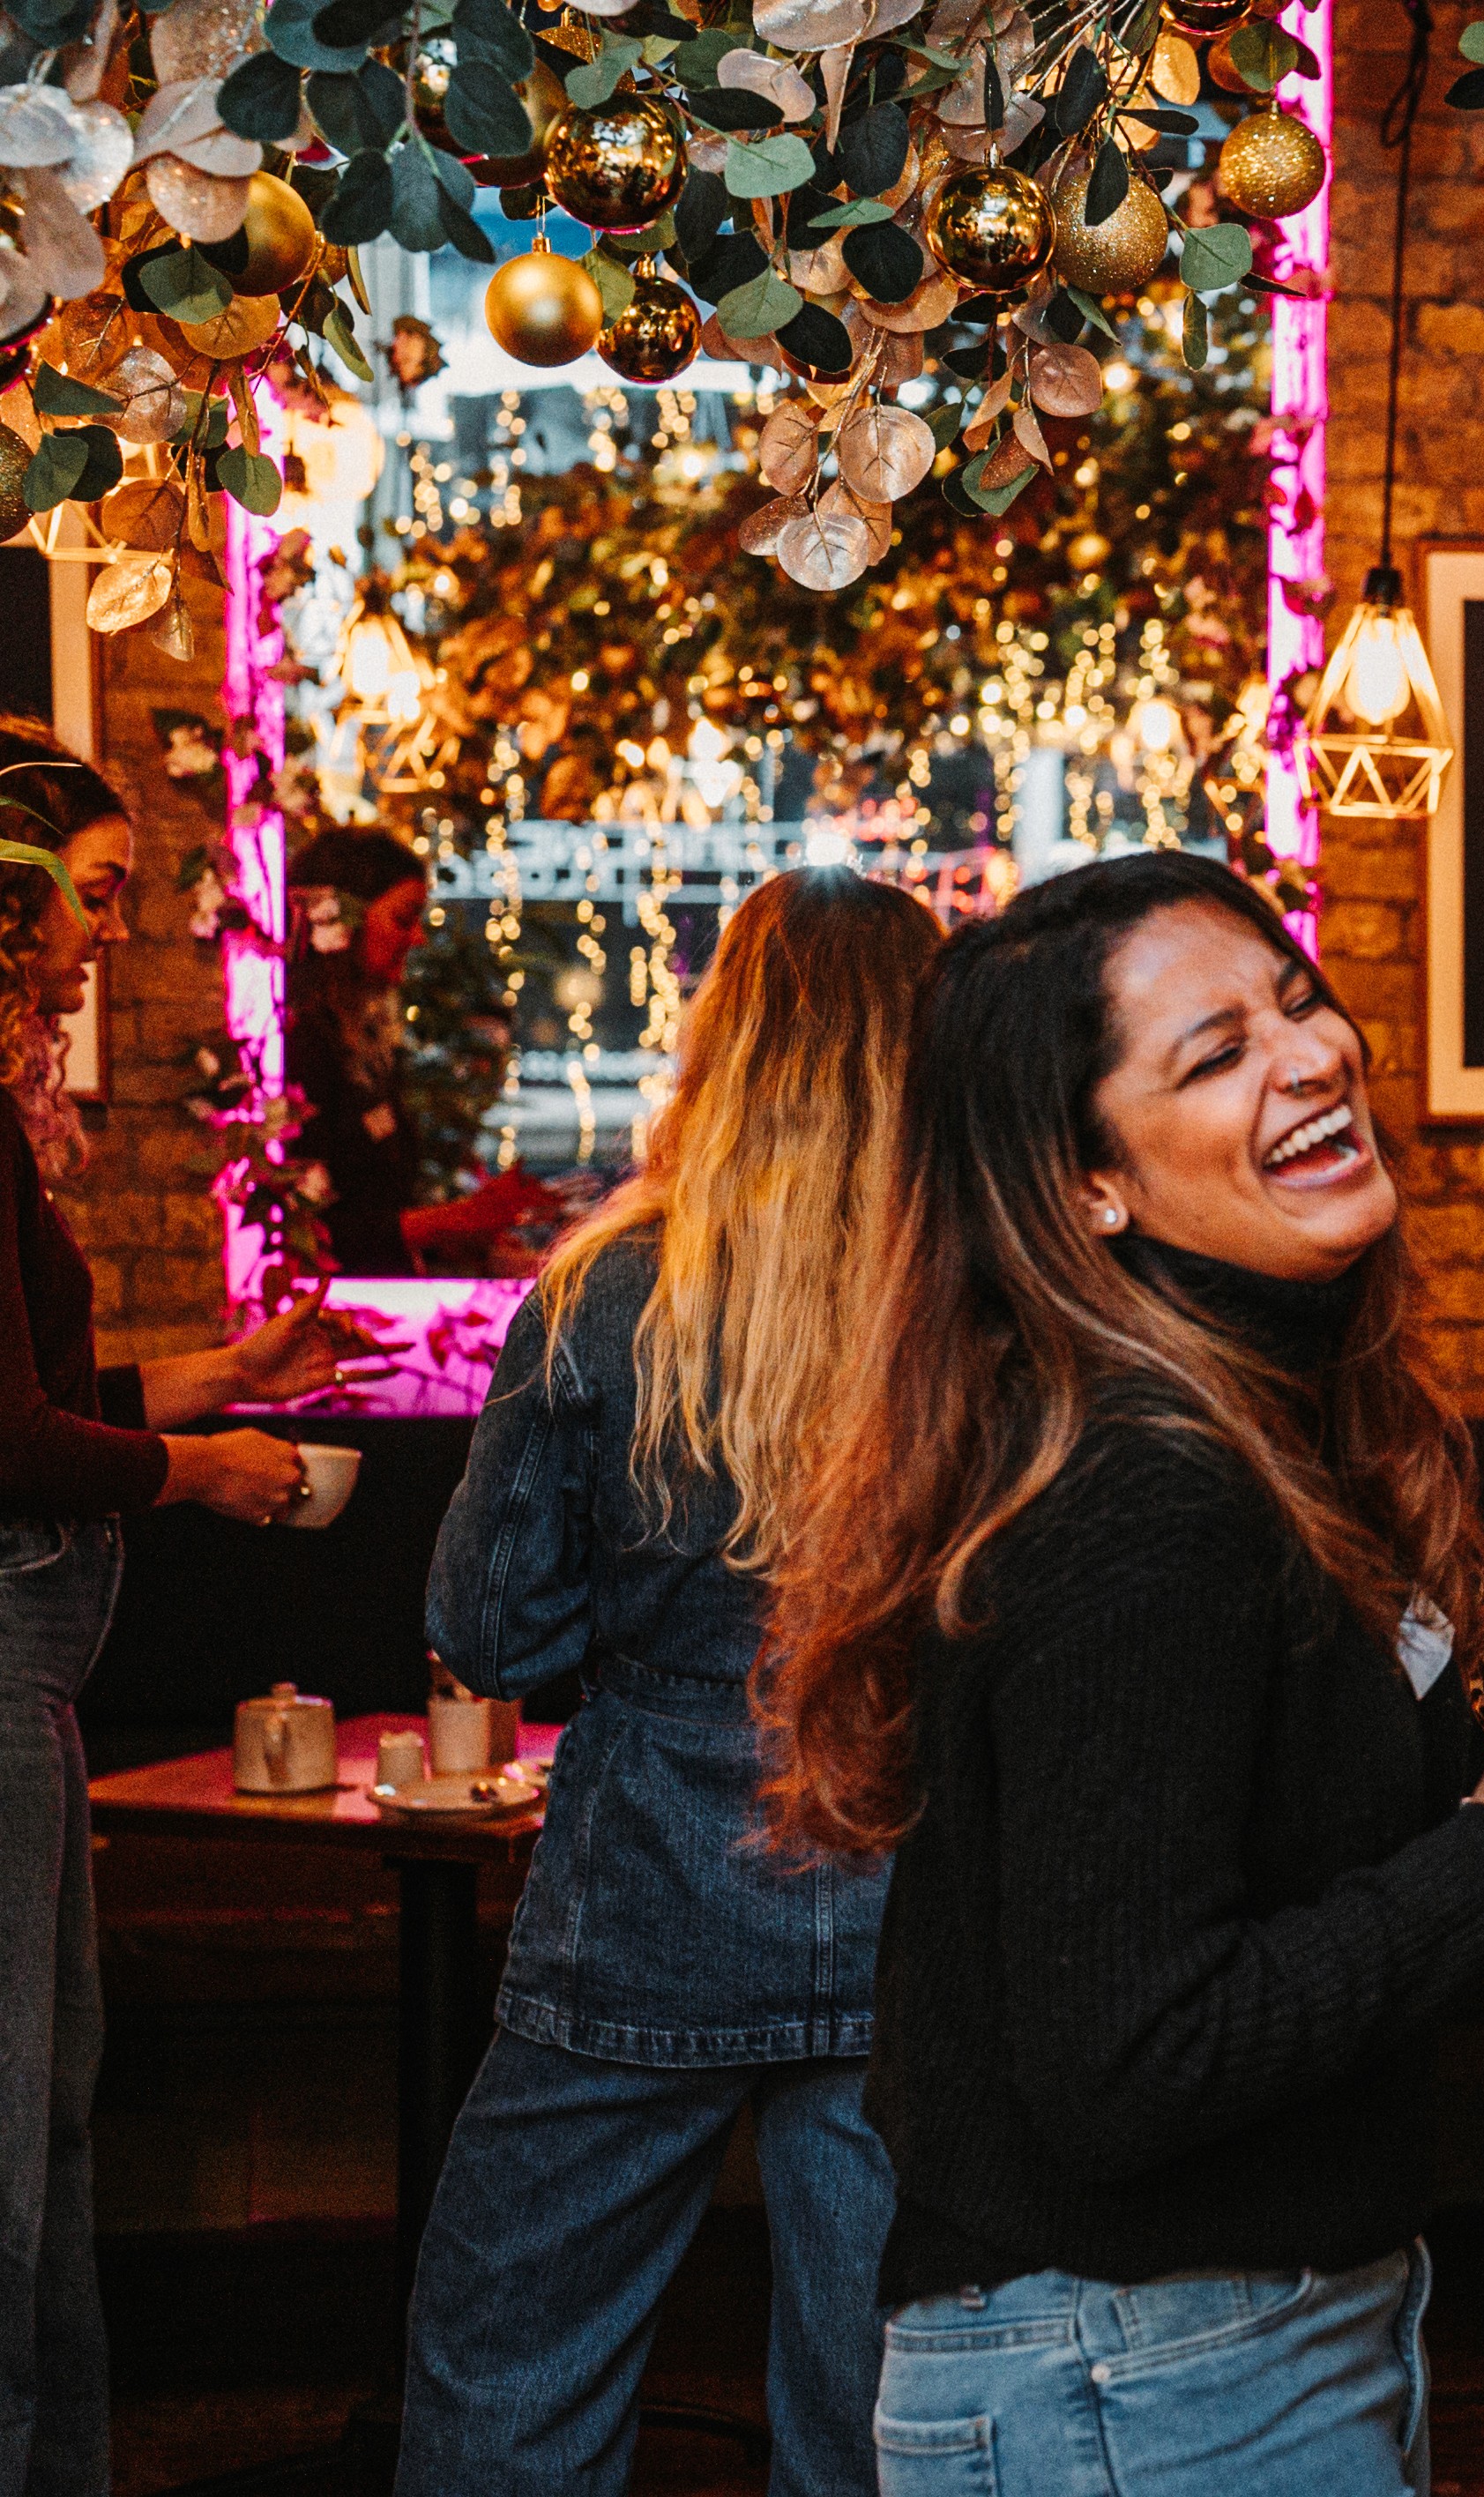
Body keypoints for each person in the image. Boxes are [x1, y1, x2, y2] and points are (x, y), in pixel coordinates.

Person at [753, 851, 1484, 2497]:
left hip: (1212, 2347)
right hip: (1130, 2370)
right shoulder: (1155, 1498)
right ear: (1089, 1186)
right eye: (1214, 1053)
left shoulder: (1259, 1432)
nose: (1310, 1053)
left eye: (1298, 998)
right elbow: (1128, 2060)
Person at [395, 868, 936, 2497]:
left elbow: (491, 1632)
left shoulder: (603, 1291)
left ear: (724, 1038)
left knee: (512, 2365)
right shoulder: (992, 1290)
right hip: (920, 1885)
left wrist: (643, 1657)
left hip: (645, 1883)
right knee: (880, 2405)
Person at [0, 737, 383, 2496]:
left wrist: (210, 1379)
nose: (103, 940)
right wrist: (204, 1474)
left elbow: (49, 1387)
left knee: (53, 2124)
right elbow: (7, 1440)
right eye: (85, 899)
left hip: (40, 1680)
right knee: (14, 2150)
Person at [285, 827, 548, 1276]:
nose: (418, 939)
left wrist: (463, 1234)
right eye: (403, 919)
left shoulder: (364, 1038)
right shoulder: (299, 1041)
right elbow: (313, 1231)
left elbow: (380, 1209)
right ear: (342, 917)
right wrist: (457, 1220)